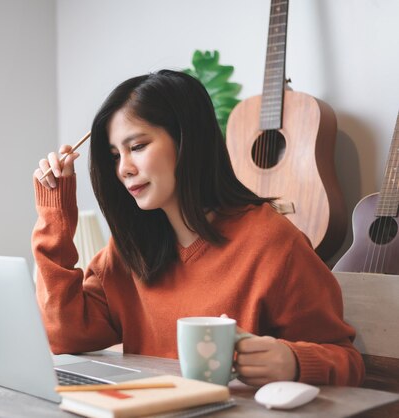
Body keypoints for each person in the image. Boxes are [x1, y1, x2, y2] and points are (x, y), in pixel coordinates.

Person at [31, 69, 364, 387]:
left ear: (187, 140)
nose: (124, 169)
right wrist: (55, 214)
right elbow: (64, 334)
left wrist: (293, 361)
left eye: (137, 146)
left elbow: (347, 361)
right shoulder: (128, 250)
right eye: (115, 155)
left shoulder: (272, 242)